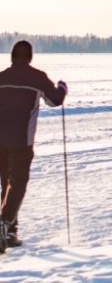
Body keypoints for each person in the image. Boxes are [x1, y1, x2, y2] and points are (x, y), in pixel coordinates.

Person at [0, 40, 68, 250]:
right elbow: (55, 100)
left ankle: (9, 234)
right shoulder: (37, 77)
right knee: (18, 184)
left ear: (12, 56)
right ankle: (4, 224)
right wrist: (62, 87)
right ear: (29, 57)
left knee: (7, 184)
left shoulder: (2, 77)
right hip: (22, 141)